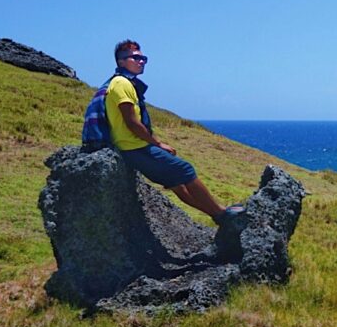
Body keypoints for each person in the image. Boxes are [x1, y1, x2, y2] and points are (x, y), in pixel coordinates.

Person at [99, 39, 243, 225]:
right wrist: (157, 144)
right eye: (135, 58)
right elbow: (132, 123)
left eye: (143, 58)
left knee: (177, 184)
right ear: (121, 62)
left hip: (131, 147)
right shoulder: (121, 83)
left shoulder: (125, 83)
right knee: (185, 169)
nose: (141, 61)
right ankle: (221, 213)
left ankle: (215, 215)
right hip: (134, 148)